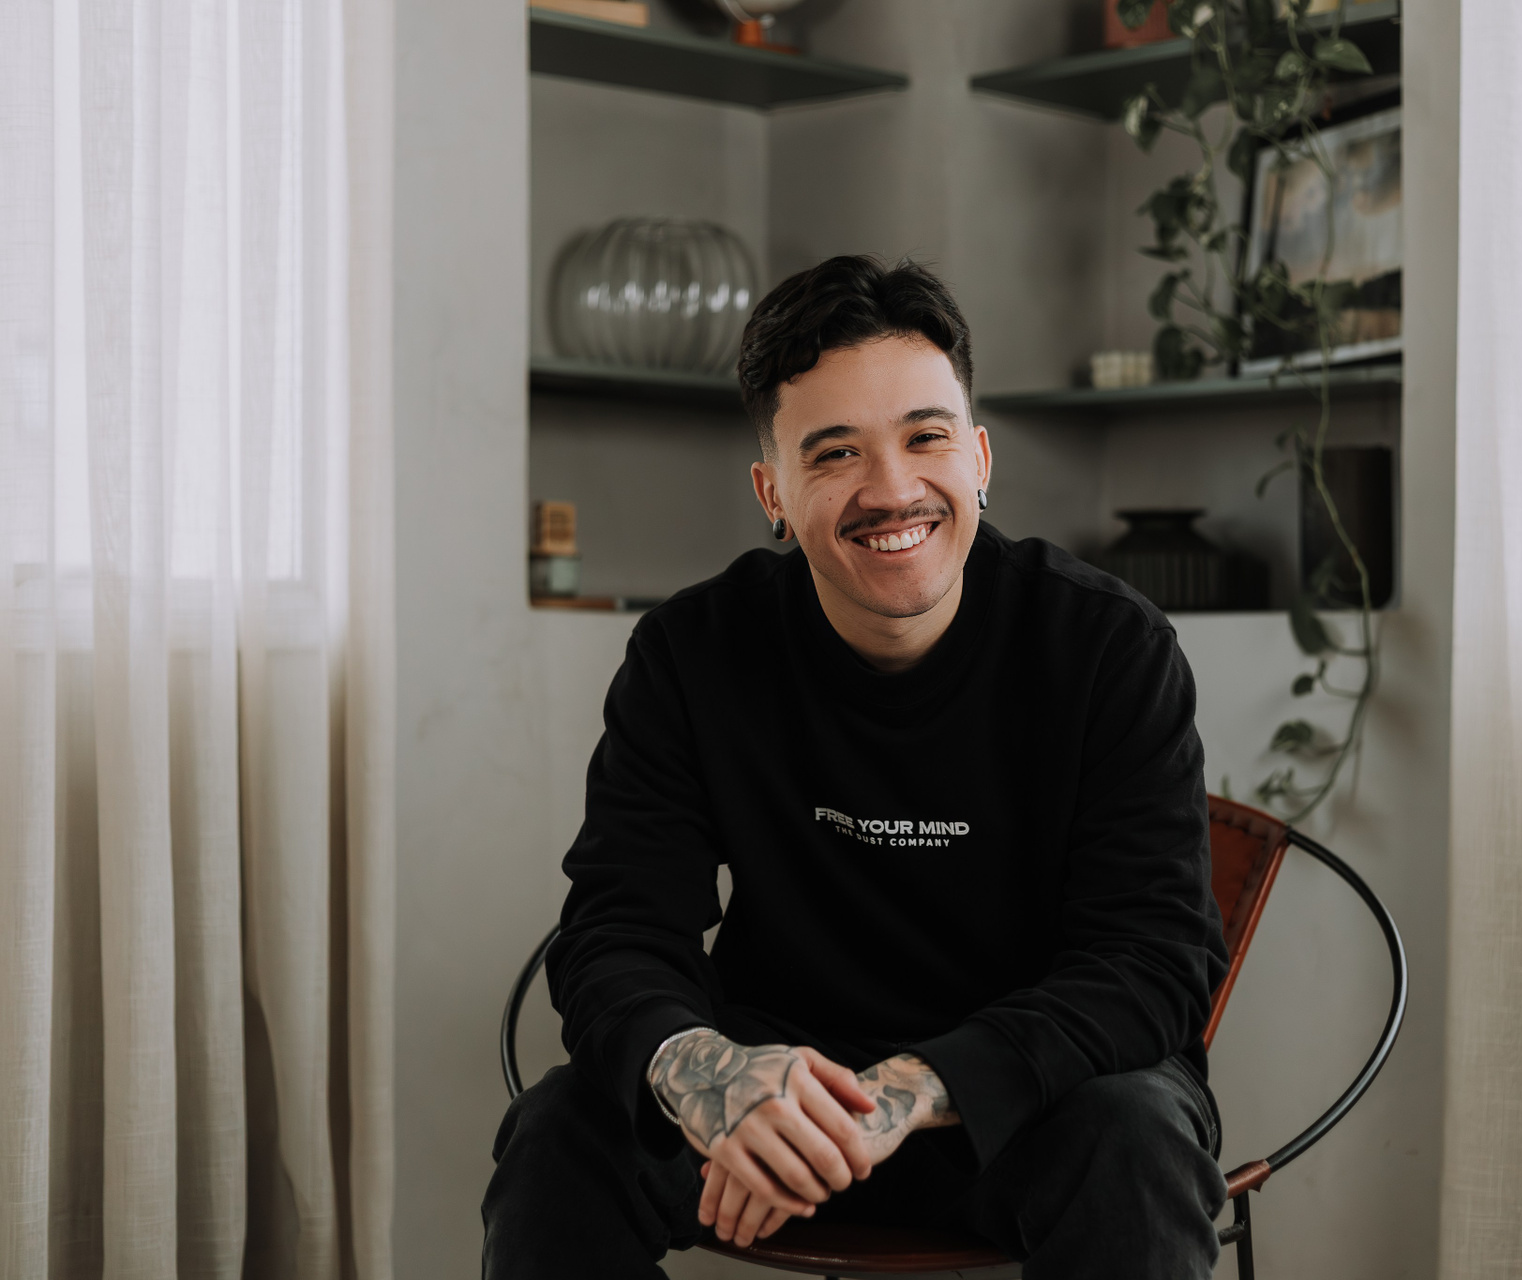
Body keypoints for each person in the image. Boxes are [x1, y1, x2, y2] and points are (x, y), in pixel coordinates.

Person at [481, 256, 1230, 1280]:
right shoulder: (693, 652)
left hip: (1036, 1096)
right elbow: (617, 930)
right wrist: (717, 1079)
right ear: (773, 493)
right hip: (772, 1091)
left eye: (926, 436)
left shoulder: (1106, 646)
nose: (892, 489)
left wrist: (900, 1095)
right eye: (835, 452)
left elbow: (1151, 960)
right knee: (561, 1132)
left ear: (979, 457)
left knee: (1136, 1133)